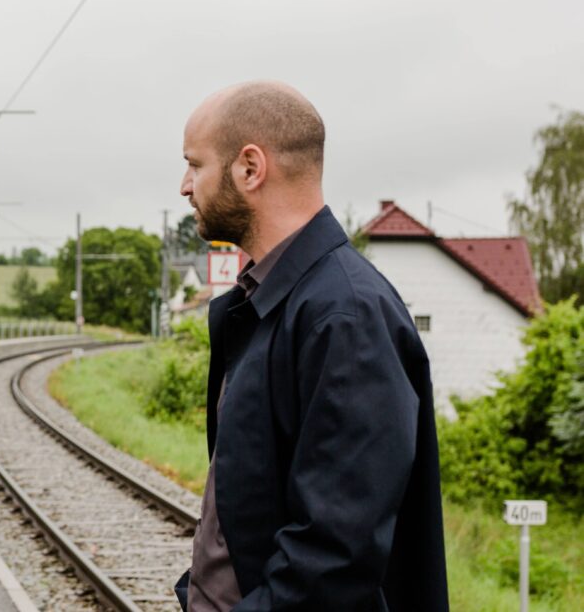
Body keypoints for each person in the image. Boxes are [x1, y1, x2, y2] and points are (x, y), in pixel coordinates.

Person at [174, 82, 448, 611]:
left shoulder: (344, 315)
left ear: (249, 168)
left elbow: (335, 556)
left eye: (194, 164)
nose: (184, 186)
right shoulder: (262, 303)